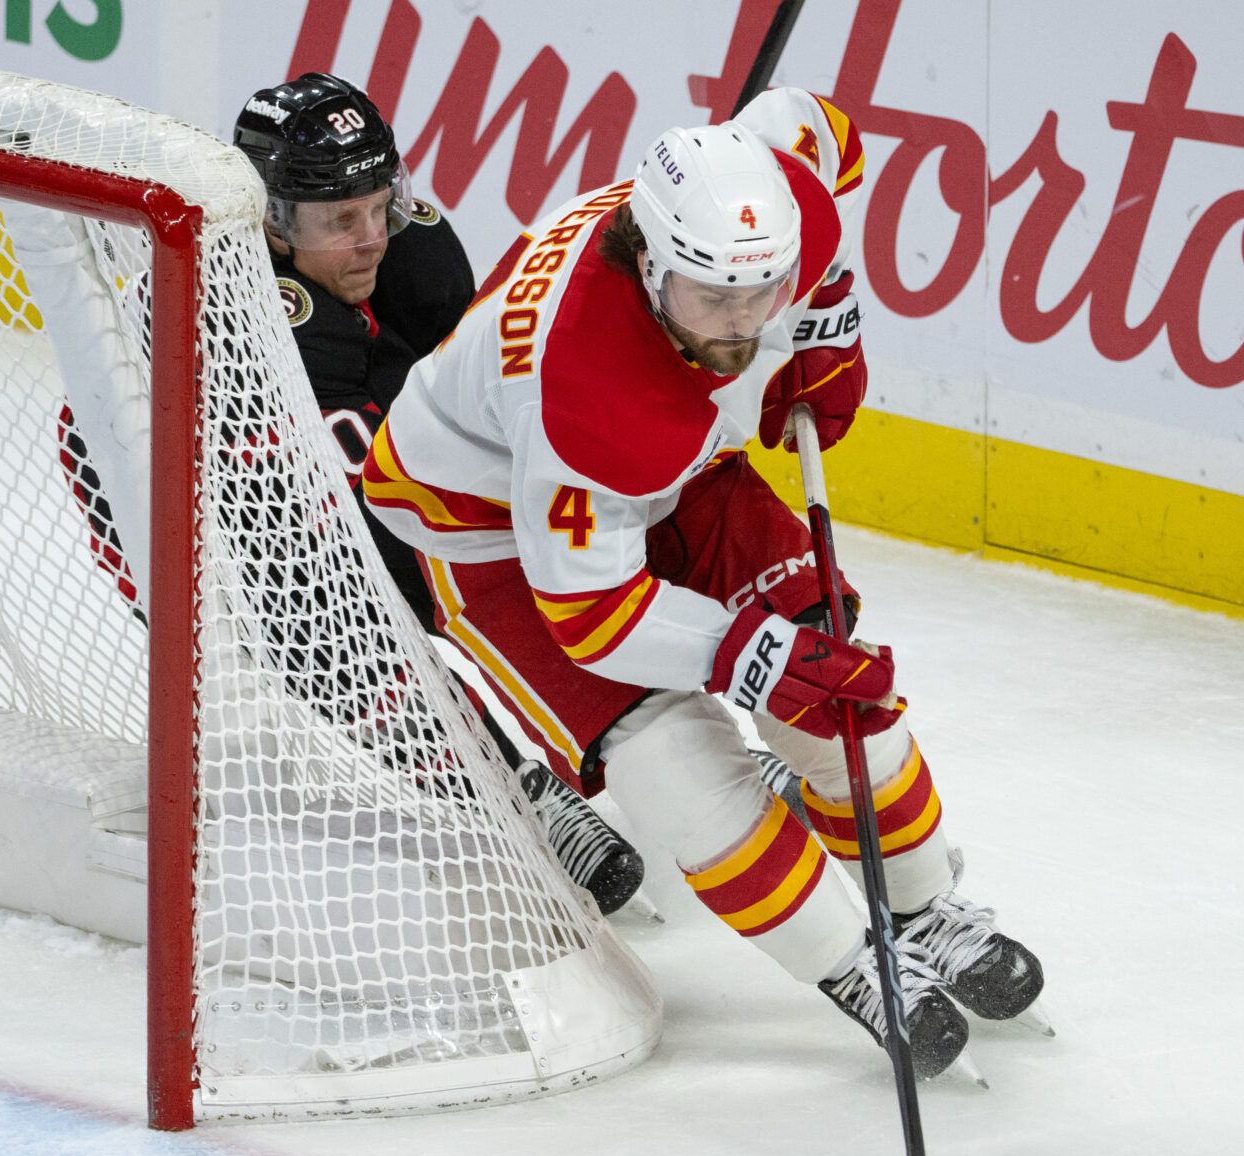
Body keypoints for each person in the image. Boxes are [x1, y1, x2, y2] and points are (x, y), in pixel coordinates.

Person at [362, 87, 1047, 1076]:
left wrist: (828, 327)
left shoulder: (781, 210)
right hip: (493, 531)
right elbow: (595, 614)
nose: (739, 323)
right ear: (650, 263)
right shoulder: (588, 391)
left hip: (679, 470)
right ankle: (855, 966)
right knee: (673, 763)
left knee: (839, 684)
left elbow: (813, 127)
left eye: (761, 295)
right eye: (711, 299)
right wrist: (753, 655)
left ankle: (927, 909)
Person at [231, 72, 646, 917]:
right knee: (348, 618)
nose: (372, 236)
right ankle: (512, 784)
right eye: (339, 220)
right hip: (275, 540)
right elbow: (361, 527)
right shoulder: (252, 316)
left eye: (380, 204)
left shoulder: (412, 248)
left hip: (396, 479)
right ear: (271, 219)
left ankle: (681, 739)